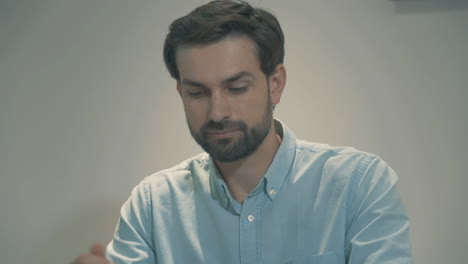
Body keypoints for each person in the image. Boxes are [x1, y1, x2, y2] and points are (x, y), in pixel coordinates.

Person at [72, 0, 413, 263]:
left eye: (236, 88)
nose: (217, 112)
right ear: (181, 93)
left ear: (275, 84)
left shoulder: (359, 186)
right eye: (197, 92)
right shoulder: (150, 206)